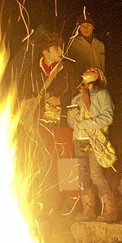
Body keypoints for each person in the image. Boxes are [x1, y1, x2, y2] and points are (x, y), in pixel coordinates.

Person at [20, 31, 83, 211]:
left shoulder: (68, 69)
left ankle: (73, 200)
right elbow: (26, 93)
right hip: (42, 122)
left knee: (66, 159)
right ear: (46, 51)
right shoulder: (33, 70)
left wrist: (61, 101)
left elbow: (77, 93)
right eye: (56, 48)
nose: (61, 51)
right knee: (47, 160)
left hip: (63, 121)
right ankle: (51, 201)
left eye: (61, 47)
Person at [67, 67, 117, 223]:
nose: (87, 72)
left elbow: (108, 117)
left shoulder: (102, 94)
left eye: (92, 70)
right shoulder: (76, 98)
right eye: (86, 71)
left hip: (95, 139)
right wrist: (72, 117)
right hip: (79, 140)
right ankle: (88, 210)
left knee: (96, 174)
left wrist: (88, 124)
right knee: (82, 176)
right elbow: (72, 124)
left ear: (99, 76)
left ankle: (110, 211)